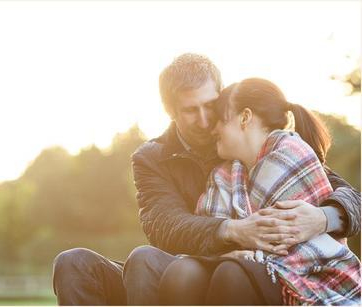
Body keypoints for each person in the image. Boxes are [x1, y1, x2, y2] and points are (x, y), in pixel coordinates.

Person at [52, 53, 361, 305]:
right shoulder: (151, 157)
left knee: (145, 260)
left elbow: (344, 193)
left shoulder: (246, 142)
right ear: (170, 111)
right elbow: (164, 225)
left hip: (225, 272)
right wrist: (234, 230)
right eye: (190, 110)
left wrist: (322, 217)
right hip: (184, 265)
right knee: (74, 263)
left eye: (210, 106)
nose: (203, 121)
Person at [158, 78, 361, 305]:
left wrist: (324, 217)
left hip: (307, 273)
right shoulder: (225, 174)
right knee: (183, 273)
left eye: (219, 120)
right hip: (250, 267)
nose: (211, 127)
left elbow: (283, 241)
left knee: (231, 273)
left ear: (244, 118)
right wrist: (228, 249)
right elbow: (193, 229)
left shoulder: (290, 154)